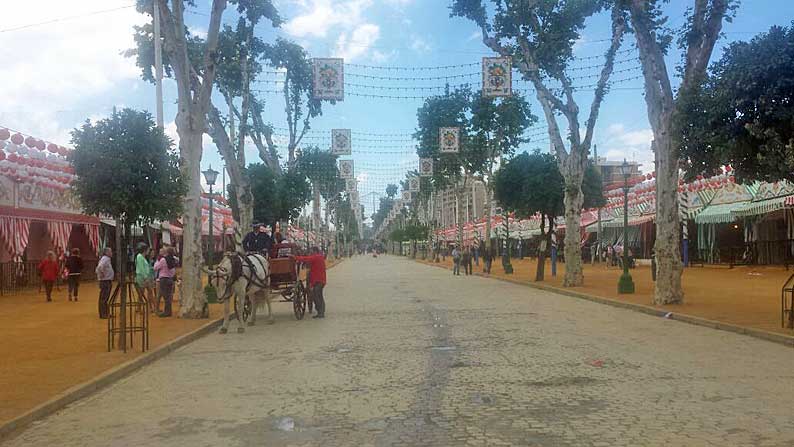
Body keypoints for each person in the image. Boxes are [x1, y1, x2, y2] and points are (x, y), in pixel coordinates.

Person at [296, 247, 328, 319]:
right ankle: (321, 312)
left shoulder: (316, 257)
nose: (310, 253)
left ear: (315, 251)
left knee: (316, 295)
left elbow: (305, 259)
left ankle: (320, 312)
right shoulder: (320, 257)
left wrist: (295, 258)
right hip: (320, 280)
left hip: (318, 280)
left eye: (311, 251)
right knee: (319, 295)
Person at [153, 247, 177, 317]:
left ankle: (166, 312)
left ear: (167, 253)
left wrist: (157, 261)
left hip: (163, 279)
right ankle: (169, 311)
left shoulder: (163, 260)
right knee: (169, 296)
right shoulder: (173, 260)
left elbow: (155, 268)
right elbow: (173, 270)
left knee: (165, 296)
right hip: (170, 279)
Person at [134, 243, 155, 311]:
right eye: (148, 250)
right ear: (145, 250)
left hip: (145, 276)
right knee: (142, 293)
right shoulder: (139, 257)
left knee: (148, 292)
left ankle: (150, 307)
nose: (149, 251)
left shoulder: (142, 257)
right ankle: (141, 307)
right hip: (142, 277)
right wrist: (145, 277)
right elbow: (141, 268)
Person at [95, 247, 114, 318]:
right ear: (106, 253)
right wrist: (102, 274)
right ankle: (103, 314)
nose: (111, 253)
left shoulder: (107, 259)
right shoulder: (105, 259)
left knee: (105, 298)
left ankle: (105, 312)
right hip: (105, 281)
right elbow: (99, 267)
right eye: (110, 251)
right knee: (104, 298)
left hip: (106, 280)